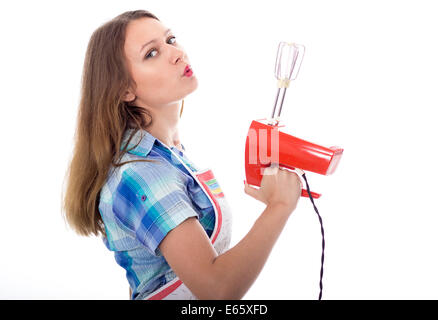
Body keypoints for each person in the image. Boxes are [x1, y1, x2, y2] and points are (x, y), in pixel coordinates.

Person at [62, 9, 303, 300]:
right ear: (124, 89)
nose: (176, 53)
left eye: (171, 39)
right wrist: (278, 206)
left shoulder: (167, 152)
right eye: (151, 53)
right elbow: (217, 289)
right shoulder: (142, 172)